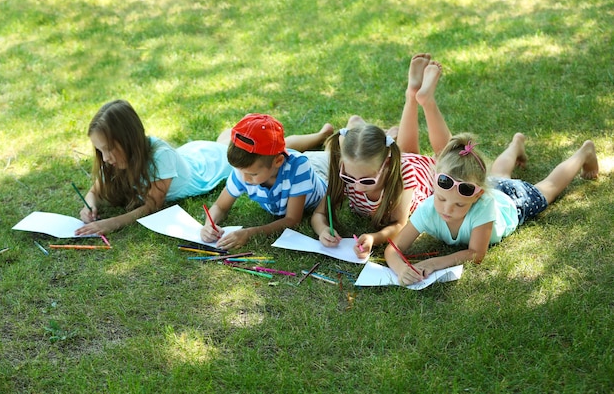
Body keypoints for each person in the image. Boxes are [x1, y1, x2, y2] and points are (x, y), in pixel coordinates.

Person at [386, 132, 599, 286]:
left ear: (476, 196)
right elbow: (393, 249)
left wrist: (435, 263)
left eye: (459, 205)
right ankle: (516, 144)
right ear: (434, 187)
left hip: (513, 202)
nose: (447, 209)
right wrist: (401, 269)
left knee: (548, 189)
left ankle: (584, 153)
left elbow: (476, 253)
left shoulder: (483, 205)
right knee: (498, 176)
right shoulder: (428, 208)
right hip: (491, 186)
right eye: (441, 199)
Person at [310, 53, 452, 259]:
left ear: (386, 165)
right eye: (350, 178)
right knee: (407, 151)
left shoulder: (404, 178)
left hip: (423, 172)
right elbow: (319, 215)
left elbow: (399, 224)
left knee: (447, 158)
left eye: (367, 180)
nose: (356, 186)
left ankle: (426, 101)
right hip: (399, 158)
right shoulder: (348, 173)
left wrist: (374, 238)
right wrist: (323, 230)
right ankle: (411, 94)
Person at [75, 99, 232, 235]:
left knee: (225, 148)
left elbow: (152, 206)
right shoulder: (113, 160)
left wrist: (112, 223)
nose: (105, 157)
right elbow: (95, 192)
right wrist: (89, 206)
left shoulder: (161, 156)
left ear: (128, 140)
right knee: (221, 142)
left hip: (208, 166)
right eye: (100, 150)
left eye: (108, 148)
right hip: (188, 155)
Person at [200, 113, 333, 250]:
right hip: (288, 159)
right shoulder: (245, 169)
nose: (244, 179)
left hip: (320, 171)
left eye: (253, 174)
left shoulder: (299, 168)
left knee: (333, 154)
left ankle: (330, 136)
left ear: (278, 161)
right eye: (240, 171)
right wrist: (209, 224)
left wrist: (249, 233)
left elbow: (292, 220)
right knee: (287, 145)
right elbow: (220, 206)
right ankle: (322, 134)